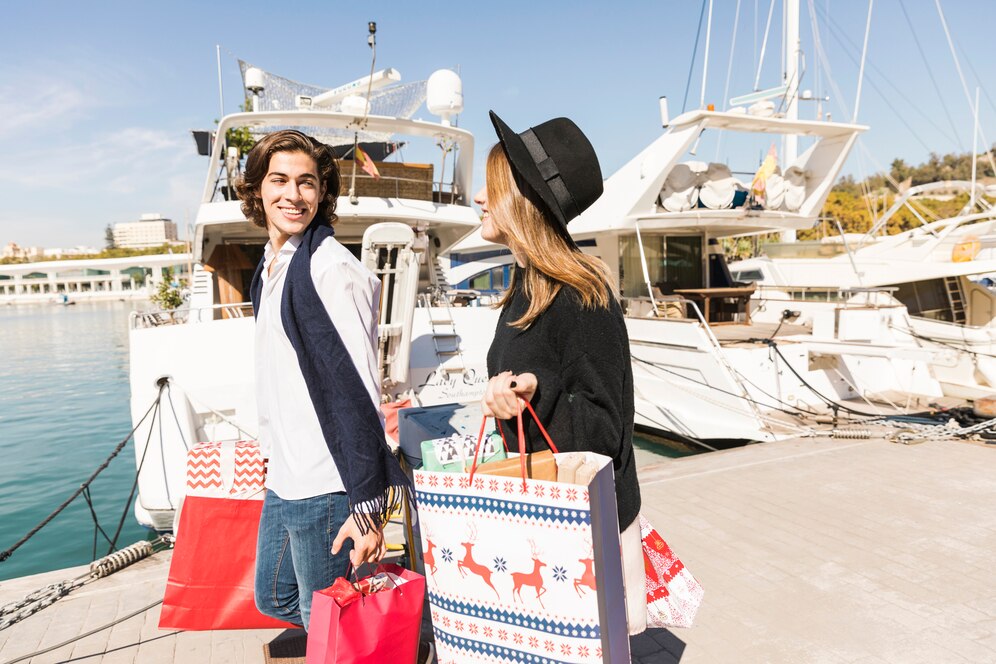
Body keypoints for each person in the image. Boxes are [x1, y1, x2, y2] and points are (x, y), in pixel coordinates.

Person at [476, 111, 647, 634]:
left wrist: (534, 389)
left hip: (585, 529)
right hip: (552, 518)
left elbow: (603, 425)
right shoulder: (526, 285)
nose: (479, 199)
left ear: (520, 203)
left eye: (490, 188)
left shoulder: (577, 293)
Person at [236, 129, 411, 630]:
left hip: (326, 483)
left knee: (330, 623)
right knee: (274, 600)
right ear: (257, 189)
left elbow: (358, 391)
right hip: (284, 479)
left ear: (322, 193)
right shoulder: (272, 266)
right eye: (279, 180)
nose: (293, 195)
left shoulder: (332, 270)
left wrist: (366, 507)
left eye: (306, 183)